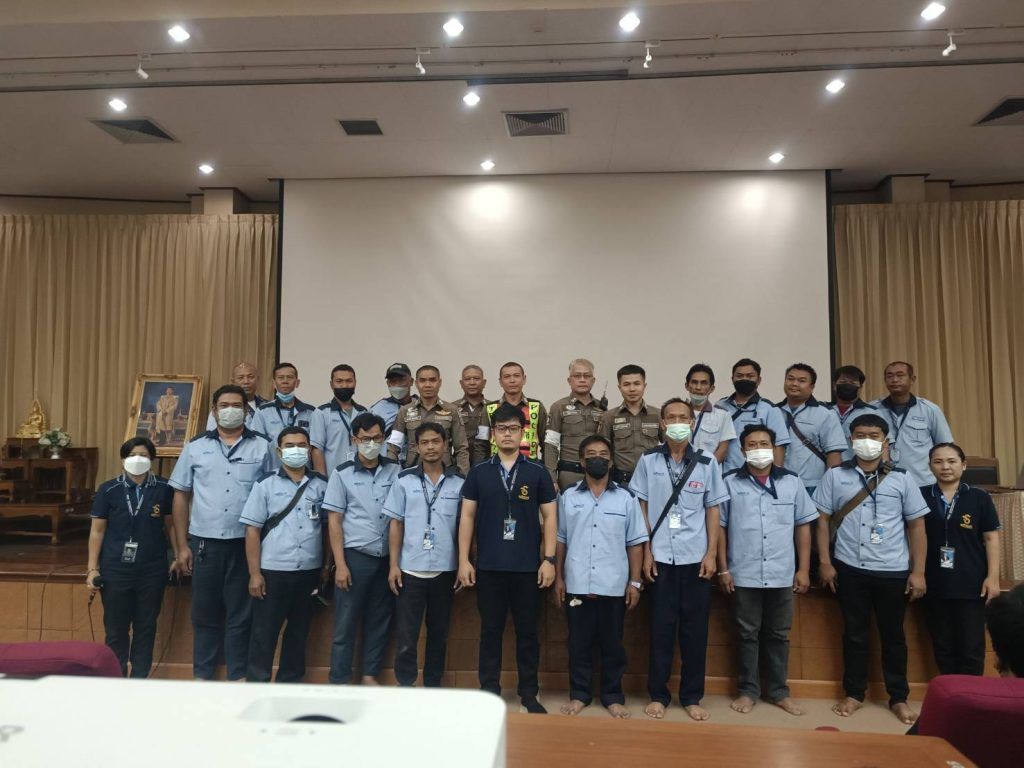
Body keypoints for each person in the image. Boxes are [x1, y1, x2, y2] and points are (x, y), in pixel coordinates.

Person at [813, 413, 928, 725]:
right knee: (855, 635)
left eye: (874, 436)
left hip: (892, 569)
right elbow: (822, 520)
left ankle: (899, 697)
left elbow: (917, 526)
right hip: (849, 567)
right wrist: (825, 562)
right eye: (860, 435)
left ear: (885, 441)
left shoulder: (902, 478)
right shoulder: (835, 476)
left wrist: (918, 571)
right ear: (851, 440)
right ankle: (854, 693)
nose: (867, 441)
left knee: (894, 637)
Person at [630, 398, 729, 721]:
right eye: (670, 417)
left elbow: (713, 509)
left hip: (695, 559)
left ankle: (691, 697)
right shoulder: (648, 460)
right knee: (660, 631)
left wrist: (711, 554)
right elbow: (642, 507)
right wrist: (646, 552)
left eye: (683, 417)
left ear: (692, 422)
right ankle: (658, 695)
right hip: (659, 559)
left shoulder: (707, 463)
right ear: (662, 423)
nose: (677, 422)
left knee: (694, 633)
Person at [458, 403, 558, 714]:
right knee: (490, 633)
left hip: (528, 568)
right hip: (489, 567)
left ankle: (529, 695)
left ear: (523, 432)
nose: (507, 434)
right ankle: (489, 693)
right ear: (493, 434)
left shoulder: (537, 471)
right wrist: (464, 560)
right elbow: (467, 517)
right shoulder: (479, 472)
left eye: (514, 429)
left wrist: (549, 559)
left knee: (528, 634)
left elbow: (550, 518)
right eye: (501, 429)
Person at [170, 384, 273, 680]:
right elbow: (181, 495)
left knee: (242, 615)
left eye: (237, 406)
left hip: (246, 544)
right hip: (205, 544)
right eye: (224, 405)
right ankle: (203, 676)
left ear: (247, 411)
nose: (230, 411)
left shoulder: (263, 446)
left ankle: (238, 676)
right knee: (204, 614)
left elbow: (274, 494)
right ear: (214, 411)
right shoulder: (195, 447)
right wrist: (182, 546)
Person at [717, 424, 817, 716]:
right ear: (742, 450)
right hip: (743, 572)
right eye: (752, 444)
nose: (758, 449)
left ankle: (778, 692)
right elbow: (719, 528)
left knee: (778, 634)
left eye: (764, 444)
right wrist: (723, 569)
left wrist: (804, 569)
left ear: (773, 448)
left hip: (781, 572)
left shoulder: (792, 482)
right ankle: (748, 691)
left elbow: (803, 527)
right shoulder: (729, 482)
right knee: (746, 634)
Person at [555, 434, 647, 718]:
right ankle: (579, 695)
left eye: (603, 454)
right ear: (582, 462)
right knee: (578, 644)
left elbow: (635, 543)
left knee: (613, 646)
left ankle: (612, 696)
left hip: (614, 586)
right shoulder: (568, 497)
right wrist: (559, 578)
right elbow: (560, 540)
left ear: (611, 460)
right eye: (591, 455)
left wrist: (635, 582)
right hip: (577, 583)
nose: (598, 459)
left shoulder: (627, 498)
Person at [241, 427, 329, 683]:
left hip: (308, 572)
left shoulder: (321, 485)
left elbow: (327, 529)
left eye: (302, 445)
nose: (296, 450)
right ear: (279, 452)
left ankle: (289, 685)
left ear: (309, 450)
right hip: (273, 572)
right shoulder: (265, 484)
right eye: (290, 446)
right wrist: (255, 574)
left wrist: (326, 567)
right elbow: (252, 530)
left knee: (299, 633)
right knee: (264, 633)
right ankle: (258, 685)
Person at [86, 437, 176, 678]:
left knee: (146, 628)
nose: (138, 459)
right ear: (123, 460)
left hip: (152, 570)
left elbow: (171, 526)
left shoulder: (164, 488)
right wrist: (92, 569)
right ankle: (117, 680)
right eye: (133, 455)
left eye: (144, 455)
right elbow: (97, 531)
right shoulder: (108, 490)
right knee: (116, 630)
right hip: (116, 570)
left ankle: (139, 680)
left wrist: (178, 554)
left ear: (152, 459)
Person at [384, 423, 465, 687]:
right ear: (416, 447)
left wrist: (463, 563)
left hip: (445, 570)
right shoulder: (403, 480)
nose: (431, 447)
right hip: (409, 569)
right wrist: (393, 565)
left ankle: (433, 686)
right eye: (425, 442)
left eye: (436, 441)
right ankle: (406, 685)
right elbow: (396, 524)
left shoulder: (459, 483)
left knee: (439, 634)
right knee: (406, 636)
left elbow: (465, 528)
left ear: (446, 445)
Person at [322, 412, 400, 685]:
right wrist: (340, 565)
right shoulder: (341, 474)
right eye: (365, 439)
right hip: (355, 558)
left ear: (384, 438)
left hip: (386, 557)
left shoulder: (395, 471)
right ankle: (339, 681)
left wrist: (395, 563)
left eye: (377, 438)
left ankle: (369, 675)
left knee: (380, 620)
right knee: (345, 623)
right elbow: (334, 521)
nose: (371, 444)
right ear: (354, 440)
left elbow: (399, 518)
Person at [921, 442, 1002, 676]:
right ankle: (950, 692)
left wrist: (993, 578)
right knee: (943, 647)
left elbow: (991, 539)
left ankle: (970, 694)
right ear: (930, 466)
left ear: (964, 465)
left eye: (952, 461)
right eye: (938, 462)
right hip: (934, 582)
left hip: (971, 583)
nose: (945, 467)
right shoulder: (921, 495)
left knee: (971, 648)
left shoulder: (979, 497)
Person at [871, 361, 953, 486]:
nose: (894, 380)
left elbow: (945, 448)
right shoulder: (873, 409)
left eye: (900, 375)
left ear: (912, 379)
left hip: (921, 483)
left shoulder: (930, 409)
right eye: (889, 376)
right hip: (883, 482)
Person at [777, 363, 847, 493]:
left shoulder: (825, 413)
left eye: (801, 381)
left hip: (812, 485)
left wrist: (830, 487)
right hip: (779, 483)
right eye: (790, 379)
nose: (794, 384)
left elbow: (834, 453)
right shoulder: (773, 411)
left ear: (812, 387)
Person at [387, 365, 470, 474]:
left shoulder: (452, 410)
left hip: (445, 473)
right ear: (416, 383)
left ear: (440, 382)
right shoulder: (405, 411)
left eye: (432, 380)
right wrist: (391, 474)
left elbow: (461, 448)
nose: (427, 385)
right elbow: (393, 447)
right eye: (422, 381)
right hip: (413, 472)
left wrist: (463, 477)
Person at [716, 358, 791, 472]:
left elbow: (779, 446)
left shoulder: (769, 409)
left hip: (753, 474)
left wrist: (775, 476)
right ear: (732, 379)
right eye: (740, 376)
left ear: (759, 380)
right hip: (721, 473)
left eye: (750, 376)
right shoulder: (719, 406)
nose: (744, 379)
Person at [545, 359, 606, 490]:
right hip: (569, 475)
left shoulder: (602, 409)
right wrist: (551, 478)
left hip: (597, 474)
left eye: (587, 376)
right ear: (569, 380)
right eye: (577, 376)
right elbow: (551, 445)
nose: (582, 380)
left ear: (593, 381)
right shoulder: (559, 407)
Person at [599, 364, 662, 485]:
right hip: (621, 481)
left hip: (652, 479)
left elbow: (669, 446)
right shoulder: (609, 416)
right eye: (626, 384)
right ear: (619, 387)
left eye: (637, 384)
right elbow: (603, 450)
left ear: (644, 386)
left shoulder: (658, 414)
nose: (632, 389)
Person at [251, 363, 316, 468]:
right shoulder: (262, 412)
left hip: (303, 471)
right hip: (273, 471)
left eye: (290, 377)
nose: (285, 381)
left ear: (297, 382)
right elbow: (257, 445)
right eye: (281, 377)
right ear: (274, 383)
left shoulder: (311, 412)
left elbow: (315, 446)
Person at [310, 363, 368, 475]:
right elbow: (317, 450)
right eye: (339, 381)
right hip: (332, 477)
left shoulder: (363, 412)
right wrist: (322, 480)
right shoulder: (321, 413)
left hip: (360, 476)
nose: (344, 385)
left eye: (349, 381)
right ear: (331, 384)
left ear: (355, 383)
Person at [484, 362, 548, 461]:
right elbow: (481, 444)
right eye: (507, 377)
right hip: (497, 466)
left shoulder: (536, 407)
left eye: (516, 376)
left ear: (524, 379)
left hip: (530, 466)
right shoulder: (489, 408)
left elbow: (546, 443)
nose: (512, 380)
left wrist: (545, 468)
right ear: (500, 382)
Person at [827, 365, 892, 461]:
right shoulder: (823, 411)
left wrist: (885, 468)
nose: (847, 386)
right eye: (843, 382)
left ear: (860, 387)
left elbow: (884, 445)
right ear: (834, 385)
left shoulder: (872, 412)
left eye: (853, 383)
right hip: (825, 468)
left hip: (860, 467)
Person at [684, 363, 735, 465]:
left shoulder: (723, 415)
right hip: (680, 471)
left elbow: (723, 449)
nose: (698, 387)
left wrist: (707, 470)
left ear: (712, 388)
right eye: (694, 382)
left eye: (704, 383)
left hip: (708, 471)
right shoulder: (677, 414)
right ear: (687, 386)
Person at [205, 361, 266, 430]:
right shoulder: (223, 409)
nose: (246, 381)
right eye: (240, 378)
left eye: (250, 377)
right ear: (233, 381)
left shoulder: (267, 406)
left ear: (258, 379)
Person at [455, 364, 491, 466]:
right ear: (461, 383)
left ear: (484, 383)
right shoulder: (452, 408)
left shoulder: (492, 408)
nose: (472, 382)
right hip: (458, 464)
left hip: (487, 462)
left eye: (476, 378)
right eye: (467, 379)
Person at [370, 362, 416, 432]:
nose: (397, 385)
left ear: (411, 381)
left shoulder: (420, 405)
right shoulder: (376, 410)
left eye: (402, 380)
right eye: (393, 381)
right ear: (388, 384)